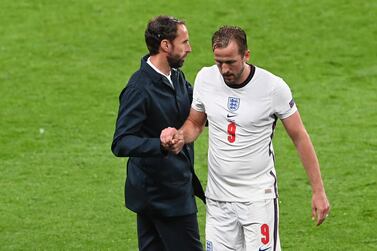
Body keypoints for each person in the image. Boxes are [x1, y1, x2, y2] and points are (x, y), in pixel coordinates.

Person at [160, 26, 330, 251]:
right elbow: (195, 123)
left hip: (258, 199)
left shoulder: (273, 88)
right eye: (219, 62)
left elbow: (299, 136)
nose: (224, 69)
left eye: (231, 62)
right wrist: (180, 136)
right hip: (218, 198)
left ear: (246, 55)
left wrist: (318, 191)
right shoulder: (205, 78)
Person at [111, 16, 205, 251]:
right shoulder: (139, 88)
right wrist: (159, 145)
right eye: (184, 42)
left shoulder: (177, 77)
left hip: (164, 189)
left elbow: (197, 112)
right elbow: (121, 142)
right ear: (165, 45)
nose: (189, 48)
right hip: (164, 196)